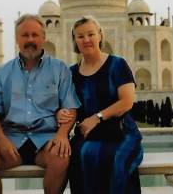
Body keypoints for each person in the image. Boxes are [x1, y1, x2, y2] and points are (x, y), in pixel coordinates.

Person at [0, 14, 80, 194]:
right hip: (10, 141)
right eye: (25, 35)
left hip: (46, 140)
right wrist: (2, 141)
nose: (30, 40)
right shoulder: (4, 72)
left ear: (44, 38)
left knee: (61, 156)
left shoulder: (59, 69)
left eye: (35, 35)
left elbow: (71, 108)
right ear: (17, 39)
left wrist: (61, 135)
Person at [58, 16, 144, 194]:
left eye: (90, 34)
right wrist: (60, 114)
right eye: (80, 36)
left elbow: (127, 101)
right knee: (79, 157)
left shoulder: (117, 64)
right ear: (75, 40)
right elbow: (69, 107)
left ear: (99, 36)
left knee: (115, 160)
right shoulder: (71, 73)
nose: (86, 40)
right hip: (88, 135)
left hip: (120, 133)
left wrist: (97, 118)